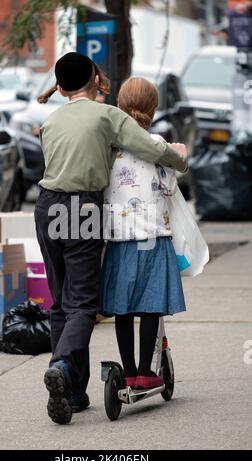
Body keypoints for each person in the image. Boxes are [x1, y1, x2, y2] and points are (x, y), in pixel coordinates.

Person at [34, 52, 187, 425]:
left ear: (60, 86)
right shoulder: (107, 115)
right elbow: (150, 148)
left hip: (46, 207)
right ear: (94, 80)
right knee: (83, 304)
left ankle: (73, 391)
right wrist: (179, 158)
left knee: (61, 304)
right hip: (82, 209)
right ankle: (61, 366)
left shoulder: (51, 121)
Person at [100, 77, 186, 390]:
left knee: (123, 308)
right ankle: (146, 373)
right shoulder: (159, 147)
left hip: (119, 239)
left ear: (120, 107)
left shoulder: (109, 149)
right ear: (154, 107)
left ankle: (129, 368)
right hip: (153, 236)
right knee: (150, 304)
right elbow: (170, 187)